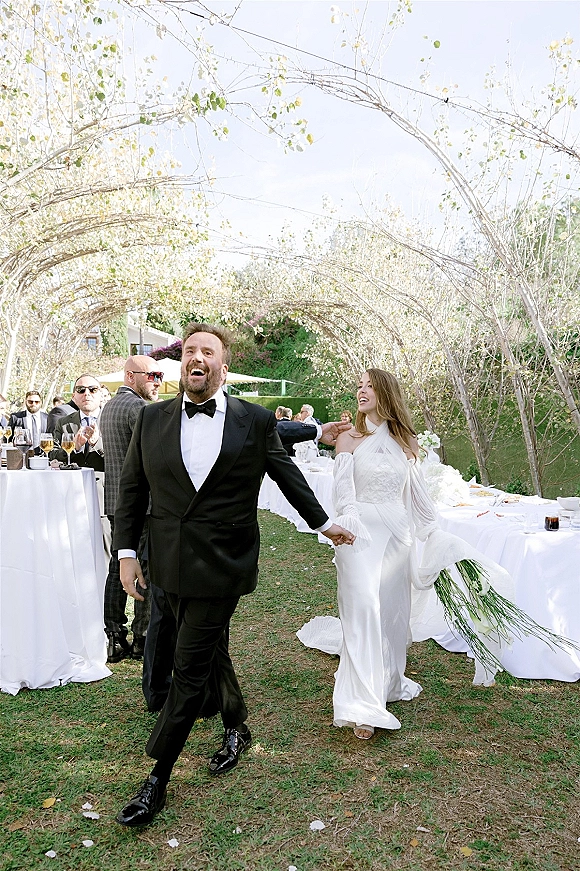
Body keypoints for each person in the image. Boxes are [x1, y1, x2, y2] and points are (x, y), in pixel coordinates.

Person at [113, 323, 355, 827]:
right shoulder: (152, 419)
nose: (196, 358)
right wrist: (127, 554)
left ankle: (157, 777)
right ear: (182, 365)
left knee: (190, 663)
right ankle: (238, 726)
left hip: (223, 564)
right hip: (168, 562)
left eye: (208, 351)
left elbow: (287, 476)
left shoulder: (255, 420)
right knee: (212, 651)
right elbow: (133, 491)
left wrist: (324, 522)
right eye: (189, 351)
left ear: (222, 367)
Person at [99, 356, 164, 665]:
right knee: (145, 569)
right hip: (142, 504)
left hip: (115, 501)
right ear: (130, 375)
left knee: (117, 568)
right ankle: (141, 638)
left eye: (159, 375)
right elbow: (158, 452)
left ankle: (113, 636)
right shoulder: (138, 408)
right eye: (151, 375)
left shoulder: (110, 406)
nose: (157, 380)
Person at [52, 375, 110, 558]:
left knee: (107, 553)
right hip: (72, 496)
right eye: (81, 390)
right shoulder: (64, 422)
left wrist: (97, 444)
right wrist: (73, 448)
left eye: (92, 389)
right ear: (74, 396)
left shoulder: (112, 419)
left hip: (104, 498)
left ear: (100, 394)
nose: (87, 394)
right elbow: (51, 454)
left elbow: (124, 457)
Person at [274, 406, 346, 457]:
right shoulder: (309, 423)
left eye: (302, 412)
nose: (300, 413)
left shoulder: (310, 422)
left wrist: (320, 431)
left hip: (307, 454)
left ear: (307, 413)